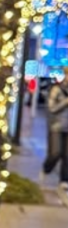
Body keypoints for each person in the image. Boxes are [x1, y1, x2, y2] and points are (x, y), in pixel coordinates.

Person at [42, 65, 68, 193]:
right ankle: (46, 169)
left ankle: (64, 181)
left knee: (67, 156)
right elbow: (51, 108)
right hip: (56, 127)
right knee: (55, 153)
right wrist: (65, 102)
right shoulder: (57, 90)